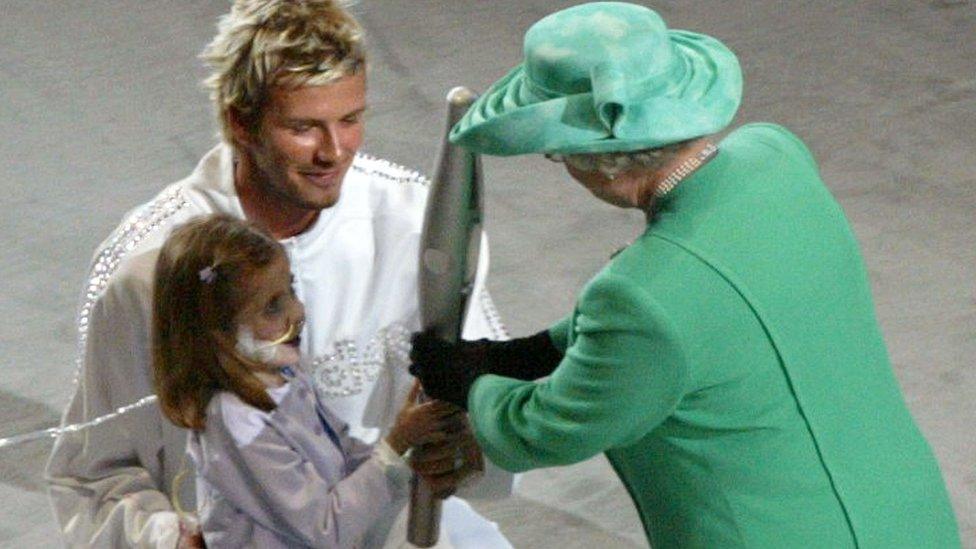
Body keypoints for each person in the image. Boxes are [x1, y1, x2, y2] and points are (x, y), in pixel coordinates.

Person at [409, 2, 961, 548]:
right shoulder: (776, 155)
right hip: (904, 515)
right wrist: (530, 352)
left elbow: (553, 426)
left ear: (583, 157)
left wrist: (472, 385)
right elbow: (702, 321)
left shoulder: (640, 296)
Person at [45, 1, 512, 547]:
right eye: (303, 127)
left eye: (351, 119)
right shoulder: (147, 271)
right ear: (240, 121)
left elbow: (491, 402)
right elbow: (92, 477)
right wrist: (171, 540)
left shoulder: (418, 224)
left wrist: (466, 442)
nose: (334, 152)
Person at [152, 215, 466, 548]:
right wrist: (396, 445)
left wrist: (405, 454)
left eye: (291, 290)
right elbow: (323, 530)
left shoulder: (281, 373)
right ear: (218, 337)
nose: (297, 310)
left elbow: (342, 451)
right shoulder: (238, 422)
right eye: (272, 307)